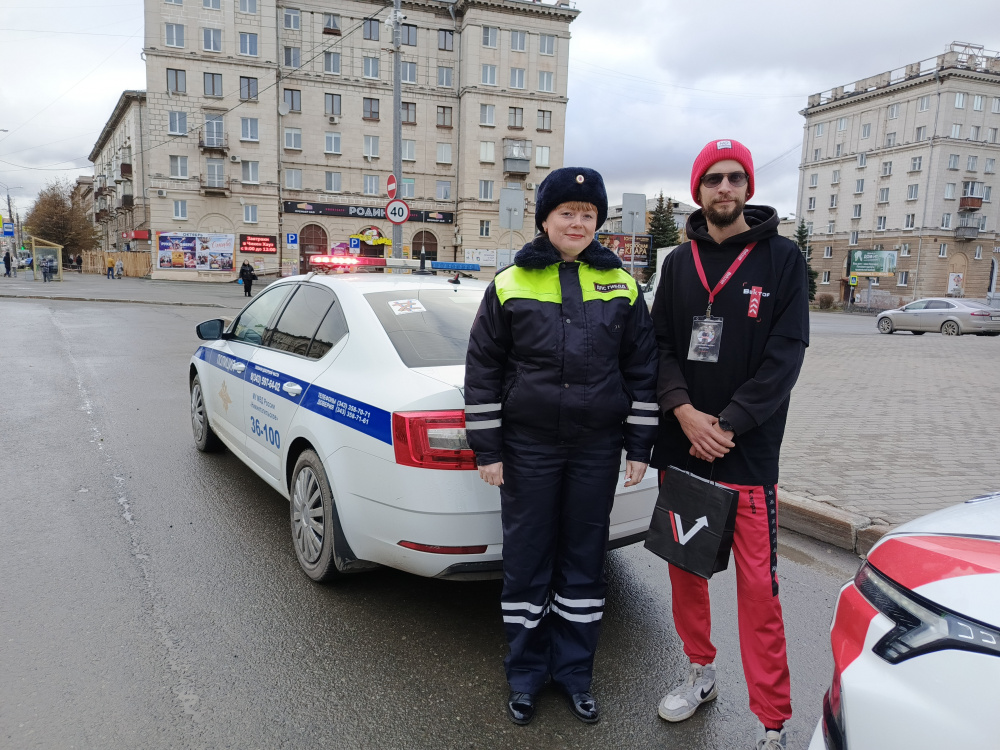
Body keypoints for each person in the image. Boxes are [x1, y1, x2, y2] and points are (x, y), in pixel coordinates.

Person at [464, 167, 659, 727]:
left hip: (596, 450)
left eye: (588, 215)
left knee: (583, 563)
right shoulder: (509, 283)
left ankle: (575, 674)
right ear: (545, 219)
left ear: (599, 222)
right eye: (567, 212)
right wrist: (489, 449)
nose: (577, 222)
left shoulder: (623, 284)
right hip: (529, 449)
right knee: (527, 563)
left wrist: (640, 446)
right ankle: (524, 676)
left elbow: (641, 370)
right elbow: (483, 370)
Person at [649, 139, 809, 750]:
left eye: (735, 177)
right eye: (713, 178)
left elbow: (785, 353)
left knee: (758, 590)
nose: (725, 187)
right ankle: (699, 672)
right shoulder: (678, 262)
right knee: (688, 573)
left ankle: (771, 721)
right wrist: (684, 413)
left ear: (747, 187)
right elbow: (658, 346)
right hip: (684, 448)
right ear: (698, 189)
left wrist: (731, 423)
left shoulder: (782, 259)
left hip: (746, 455)